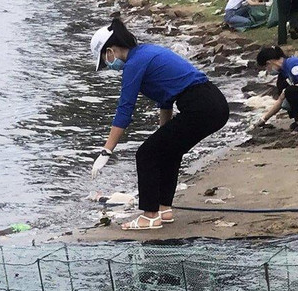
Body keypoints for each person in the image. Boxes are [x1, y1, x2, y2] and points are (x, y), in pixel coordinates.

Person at [88, 16, 229, 231]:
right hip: (213, 103)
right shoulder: (147, 52)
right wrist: (164, 133)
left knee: (146, 154)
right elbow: (166, 100)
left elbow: (125, 110)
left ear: (111, 50)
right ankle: (164, 209)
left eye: (105, 60)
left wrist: (107, 151)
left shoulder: (134, 63)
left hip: (201, 105)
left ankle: (149, 216)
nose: (108, 65)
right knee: (167, 151)